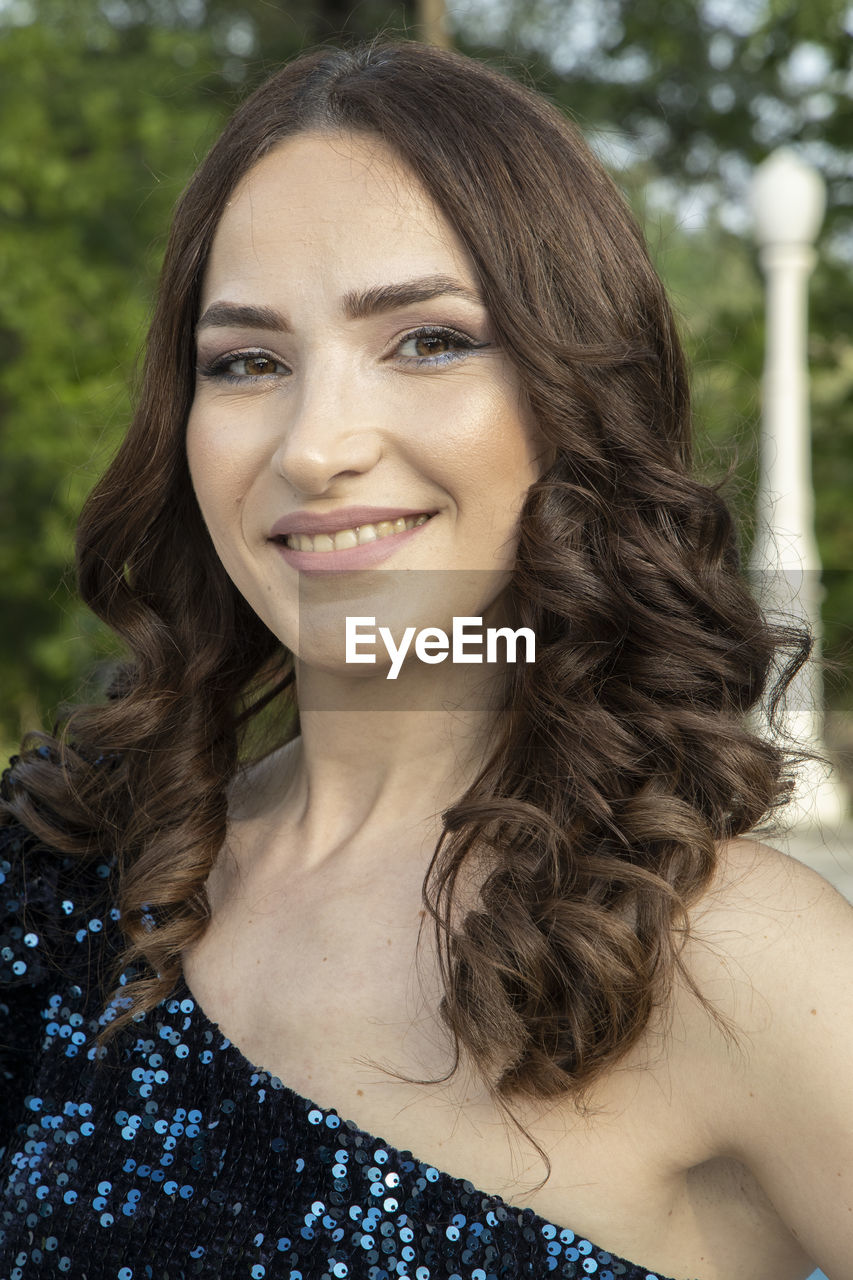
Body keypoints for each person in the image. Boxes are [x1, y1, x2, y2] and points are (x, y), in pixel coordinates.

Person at [1, 38, 851, 1280]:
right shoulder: (64, 883)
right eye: (248, 361)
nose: (314, 445)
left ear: (574, 397)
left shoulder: (733, 960)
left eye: (427, 341)